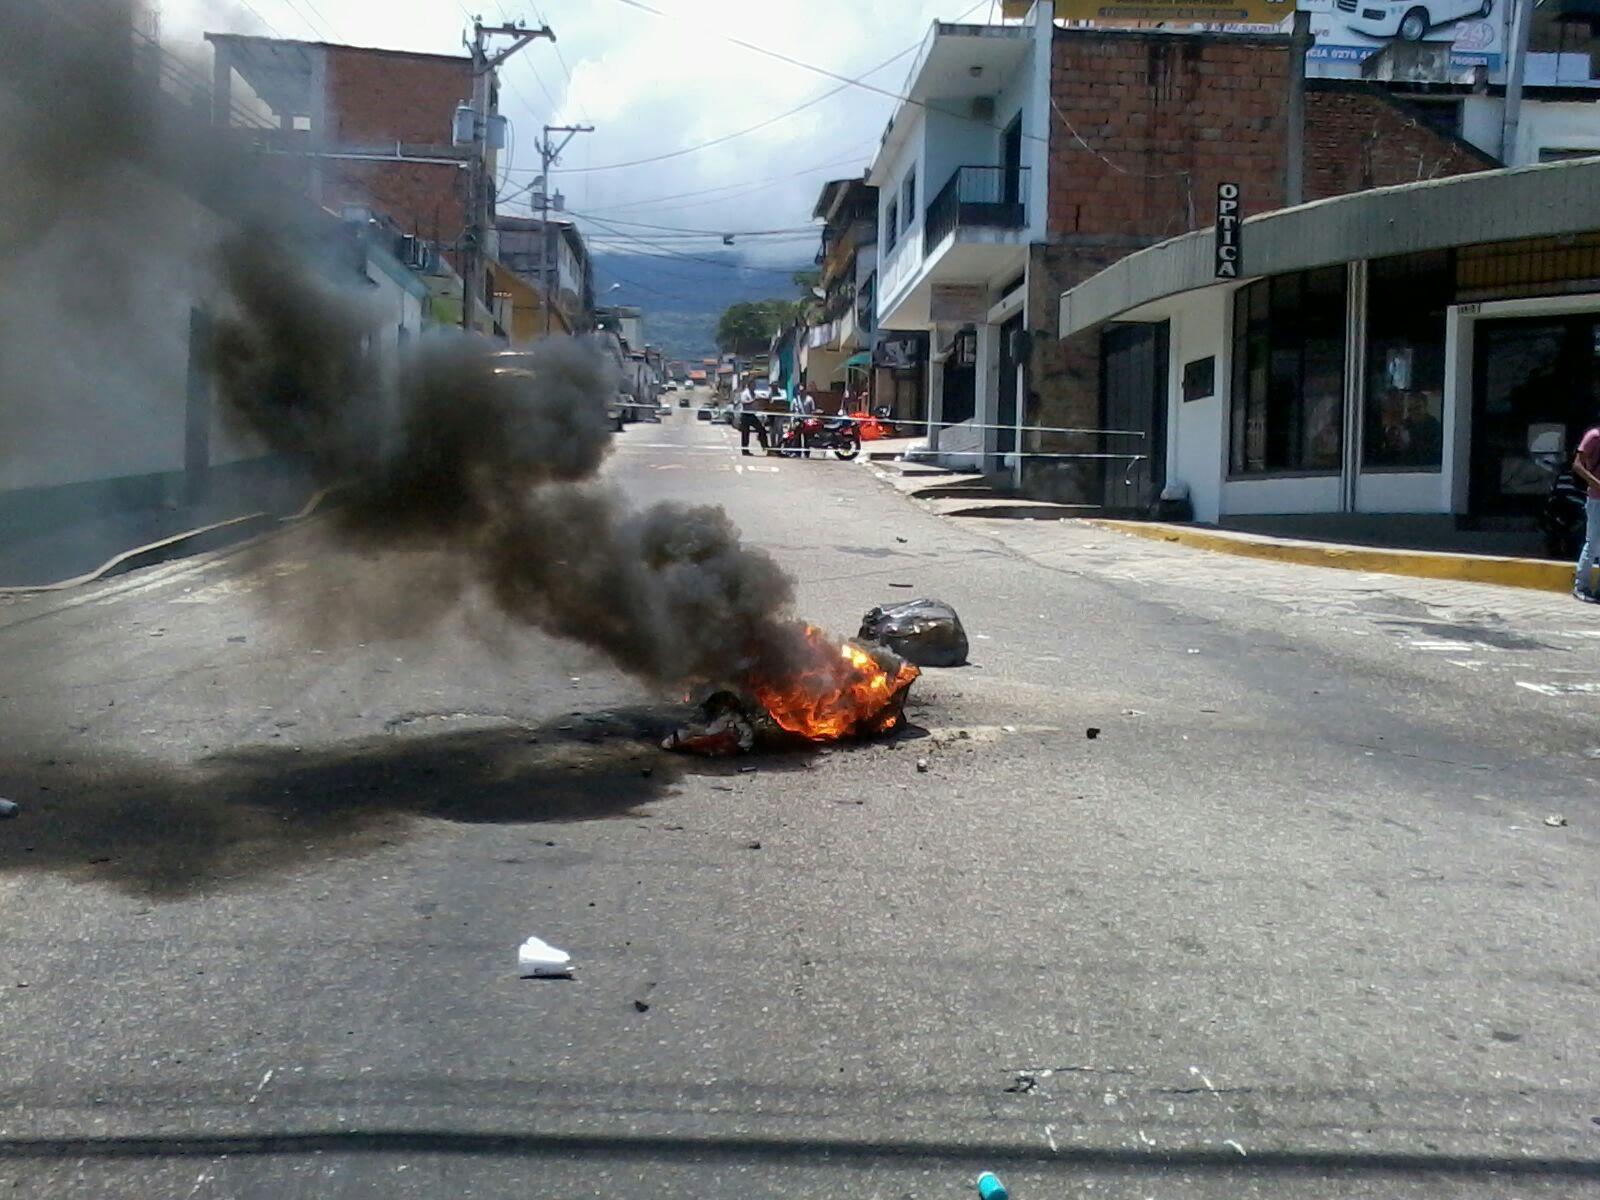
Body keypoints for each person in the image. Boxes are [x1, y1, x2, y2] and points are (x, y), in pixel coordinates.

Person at [1572, 416, 1600, 602]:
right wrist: (1597, 483)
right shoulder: (1594, 436)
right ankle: (1580, 586)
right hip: (1597, 498)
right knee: (1592, 543)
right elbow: (1577, 465)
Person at [736, 382, 768, 456]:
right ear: (749, 385)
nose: (754, 387)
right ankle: (745, 450)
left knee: (761, 429)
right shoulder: (745, 393)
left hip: (752, 414)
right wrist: (753, 402)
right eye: (753, 385)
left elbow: (760, 398)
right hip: (745, 415)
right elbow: (744, 402)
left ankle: (764, 445)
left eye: (754, 385)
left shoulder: (754, 393)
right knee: (745, 433)